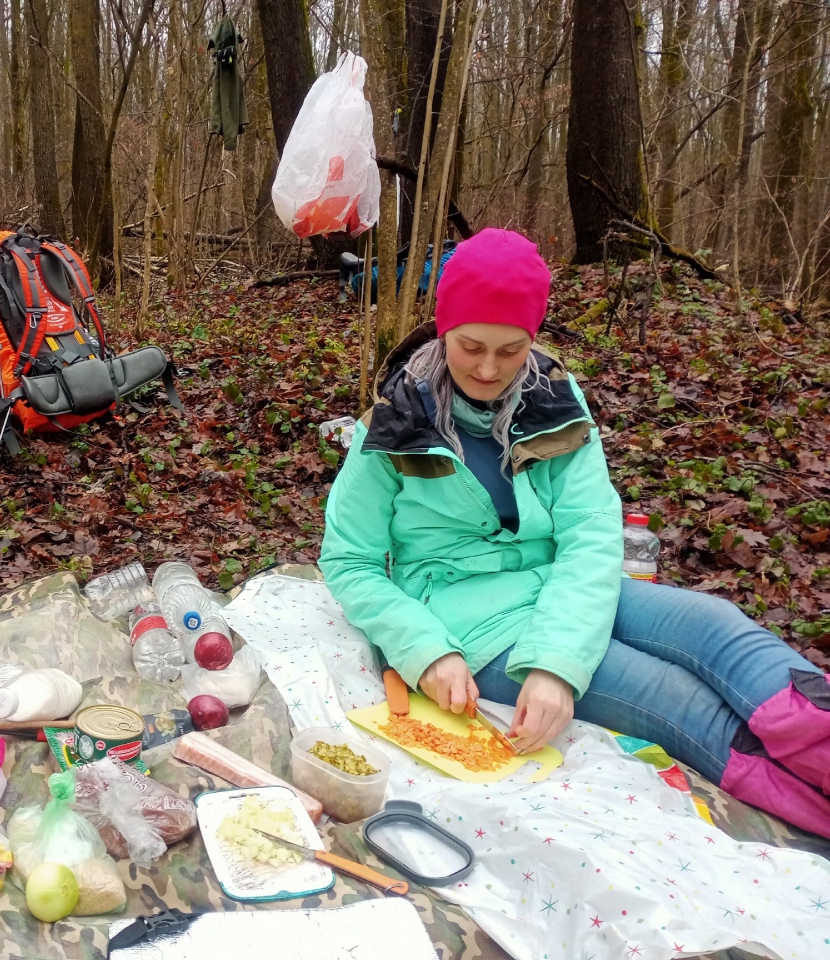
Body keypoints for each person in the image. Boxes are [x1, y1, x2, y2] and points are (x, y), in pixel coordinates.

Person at [319, 227, 830, 838]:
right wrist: (425, 651)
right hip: (469, 623)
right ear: (443, 327)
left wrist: (559, 664)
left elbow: (591, 534)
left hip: (560, 586)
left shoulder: (554, 400)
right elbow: (348, 561)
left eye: (510, 351)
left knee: (718, 629)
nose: (488, 368)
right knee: (678, 700)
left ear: (533, 340)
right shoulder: (394, 423)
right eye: (471, 345)